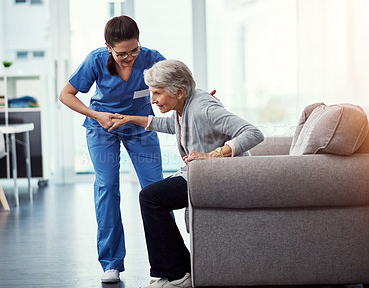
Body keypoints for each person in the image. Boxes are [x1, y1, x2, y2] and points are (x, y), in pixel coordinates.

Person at [108, 59, 264, 288]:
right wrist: (132, 119)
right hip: (202, 173)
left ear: (179, 91)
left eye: (157, 93)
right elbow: (171, 125)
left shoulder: (203, 108)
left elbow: (253, 133)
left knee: (151, 198)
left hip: (222, 176)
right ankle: (179, 271)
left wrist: (213, 155)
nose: (152, 99)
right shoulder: (185, 106)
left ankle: (177, 273)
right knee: (153, 197)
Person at [59, 15, 165, 283]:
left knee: (156, 188)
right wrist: (97, 115)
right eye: (121, 54)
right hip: (102, 127)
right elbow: (66, 95)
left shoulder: (152, 58)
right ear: (108, 47)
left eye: (134, 50)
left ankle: (167, 260)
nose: (129, 58)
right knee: (107, 188)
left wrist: (199, 98)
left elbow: (180, 85)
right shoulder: (95, 59)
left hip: (140, 125)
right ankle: (111, 261)